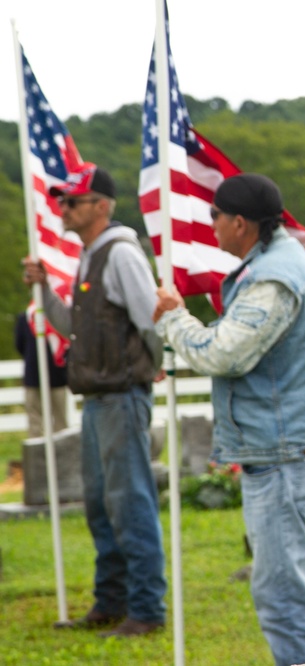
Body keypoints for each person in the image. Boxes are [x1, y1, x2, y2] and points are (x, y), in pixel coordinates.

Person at [153, 173, 305, 666]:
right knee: (292, 592)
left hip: (285, 458)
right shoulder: (275, 266)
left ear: (240, 223)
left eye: (215, 215)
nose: (210, 224)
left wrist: (174, 317)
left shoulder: (274, 277)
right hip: (290, 452)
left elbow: (225, 355)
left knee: (285, 600)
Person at [22, 163, 167, 637]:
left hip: (123, 395)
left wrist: (154, 361)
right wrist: (43, 289)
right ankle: (111, 602)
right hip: (100, 397)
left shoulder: (120, 254)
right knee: (102, 504)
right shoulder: (89, 256)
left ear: (100, 207)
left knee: (130, 503)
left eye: (72, 201)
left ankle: (146, 610)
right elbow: (71, 329)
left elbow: (151, 318)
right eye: (63, 201)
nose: (63, 208)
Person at [14, 310, 70, 438]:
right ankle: (36, 455)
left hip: (57, 376)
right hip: (33, 376)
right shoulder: (26, 318)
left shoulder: (57, 317)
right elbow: (19, 344)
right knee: (35, 421)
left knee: (60, 421)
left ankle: (62, 454)